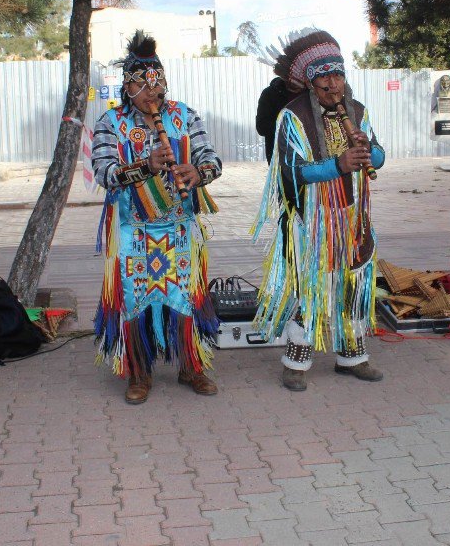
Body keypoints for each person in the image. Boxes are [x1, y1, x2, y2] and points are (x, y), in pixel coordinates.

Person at [91, 32, 222, 405]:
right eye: (144, 86)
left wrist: (199, 174)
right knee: (135, 298)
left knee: (185, 296)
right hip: (133, 230)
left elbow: (212, 160)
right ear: (128, 87)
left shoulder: (184, 115)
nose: (154, 93)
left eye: (159, 84)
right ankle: (139, 370)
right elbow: (104, 173)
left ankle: (190, 365)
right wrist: (144, 167)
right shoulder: (111, 122)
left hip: (180, 227)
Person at [252, 29, 386, 391]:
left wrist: (369, 153)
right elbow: (289, 172)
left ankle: (352, 355)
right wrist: (337, 166)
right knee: (309, 288)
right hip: (311, 219)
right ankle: (297, 360)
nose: (333, 83)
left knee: (353, 284)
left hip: (353, 215)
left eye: (338, 74)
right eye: (324, 76)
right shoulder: (291, 117)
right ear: (311, 82)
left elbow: (380, 154)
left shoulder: (357, 111)